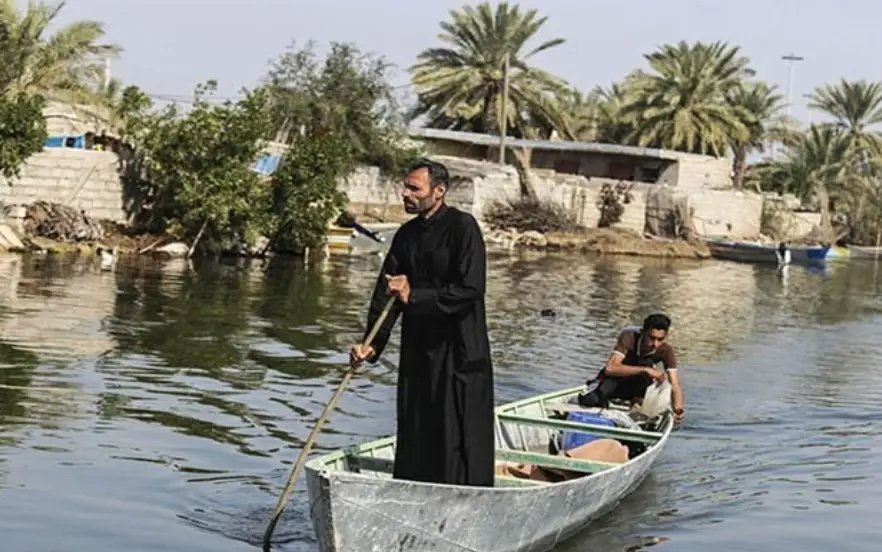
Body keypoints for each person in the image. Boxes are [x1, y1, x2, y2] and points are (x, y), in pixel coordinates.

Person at [349, 158, 495, 487]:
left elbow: (471, 288)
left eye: (414, 188)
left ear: (439, 192)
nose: (406, 193)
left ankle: (465, 499)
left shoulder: (463, 228)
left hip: (460, 351)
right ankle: (412, 494)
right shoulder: (405, 235)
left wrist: (415, 295)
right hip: (419, 351)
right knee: (417, 428)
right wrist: (370, 347)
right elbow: (384, 297)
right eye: (406, 187)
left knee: (457, 432)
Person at [577, 313, 685, 425]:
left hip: (638, 387)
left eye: (660, 339)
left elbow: (675, 384)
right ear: (643, 332)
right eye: (651, 338)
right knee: (591, 400)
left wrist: (678, 409)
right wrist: (645, 369)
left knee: (648, 372)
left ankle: (637, 406)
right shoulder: (629, 338)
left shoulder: (666, 351)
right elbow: (610, 368)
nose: (655, 344)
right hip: (616, 380)